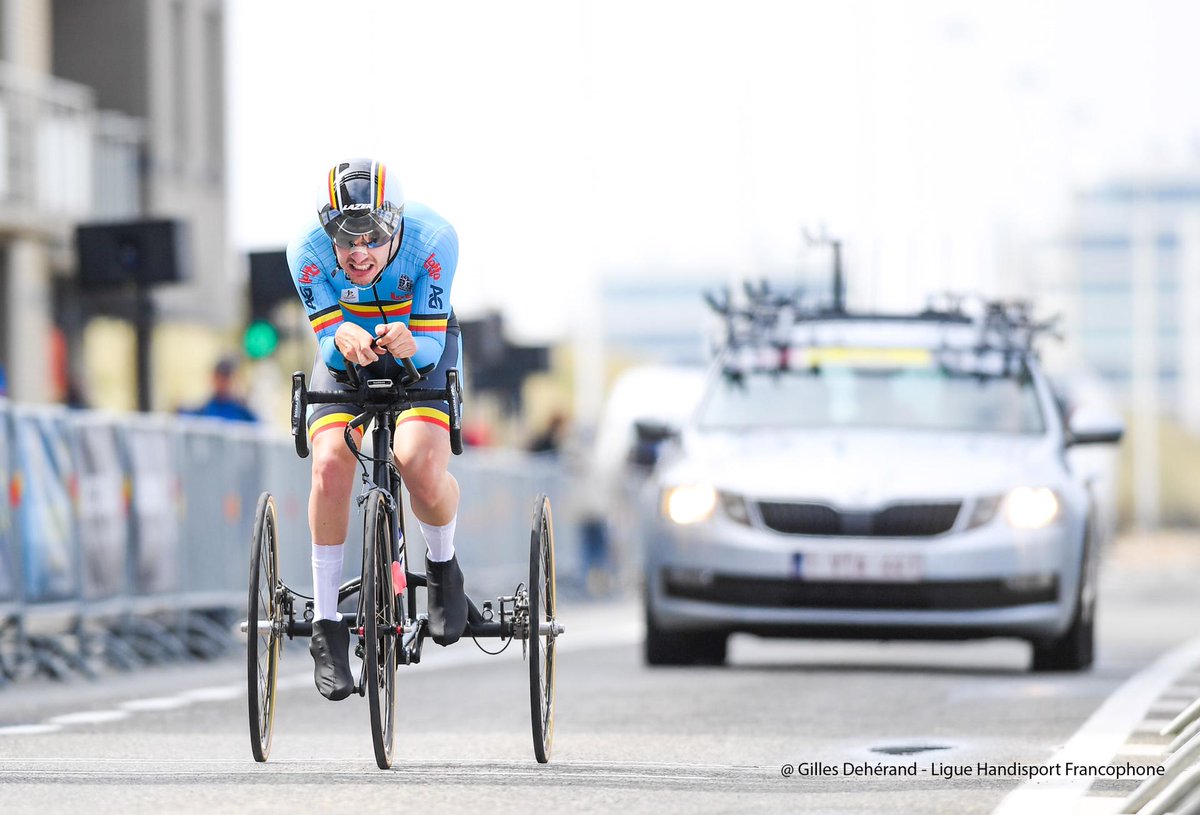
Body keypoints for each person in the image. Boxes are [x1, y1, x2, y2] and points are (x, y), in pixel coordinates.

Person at [286, 158, 465, 701]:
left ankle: (442, 565)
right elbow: (326, 343)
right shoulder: (306, 253)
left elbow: (431, 344)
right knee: (329, 465)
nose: (359, 252)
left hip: (420, 343)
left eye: (373, 238)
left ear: (396, 227)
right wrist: (340, 338)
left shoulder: (434, 241)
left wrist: (412, 343)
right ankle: (327, 624)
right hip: (346, 353)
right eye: (345, 239)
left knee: (417, 461)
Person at [183, 357, 257, 423]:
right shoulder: (202, 411)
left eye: (226, 379)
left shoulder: (243, 413)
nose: (223, 383)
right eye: (219, 379)